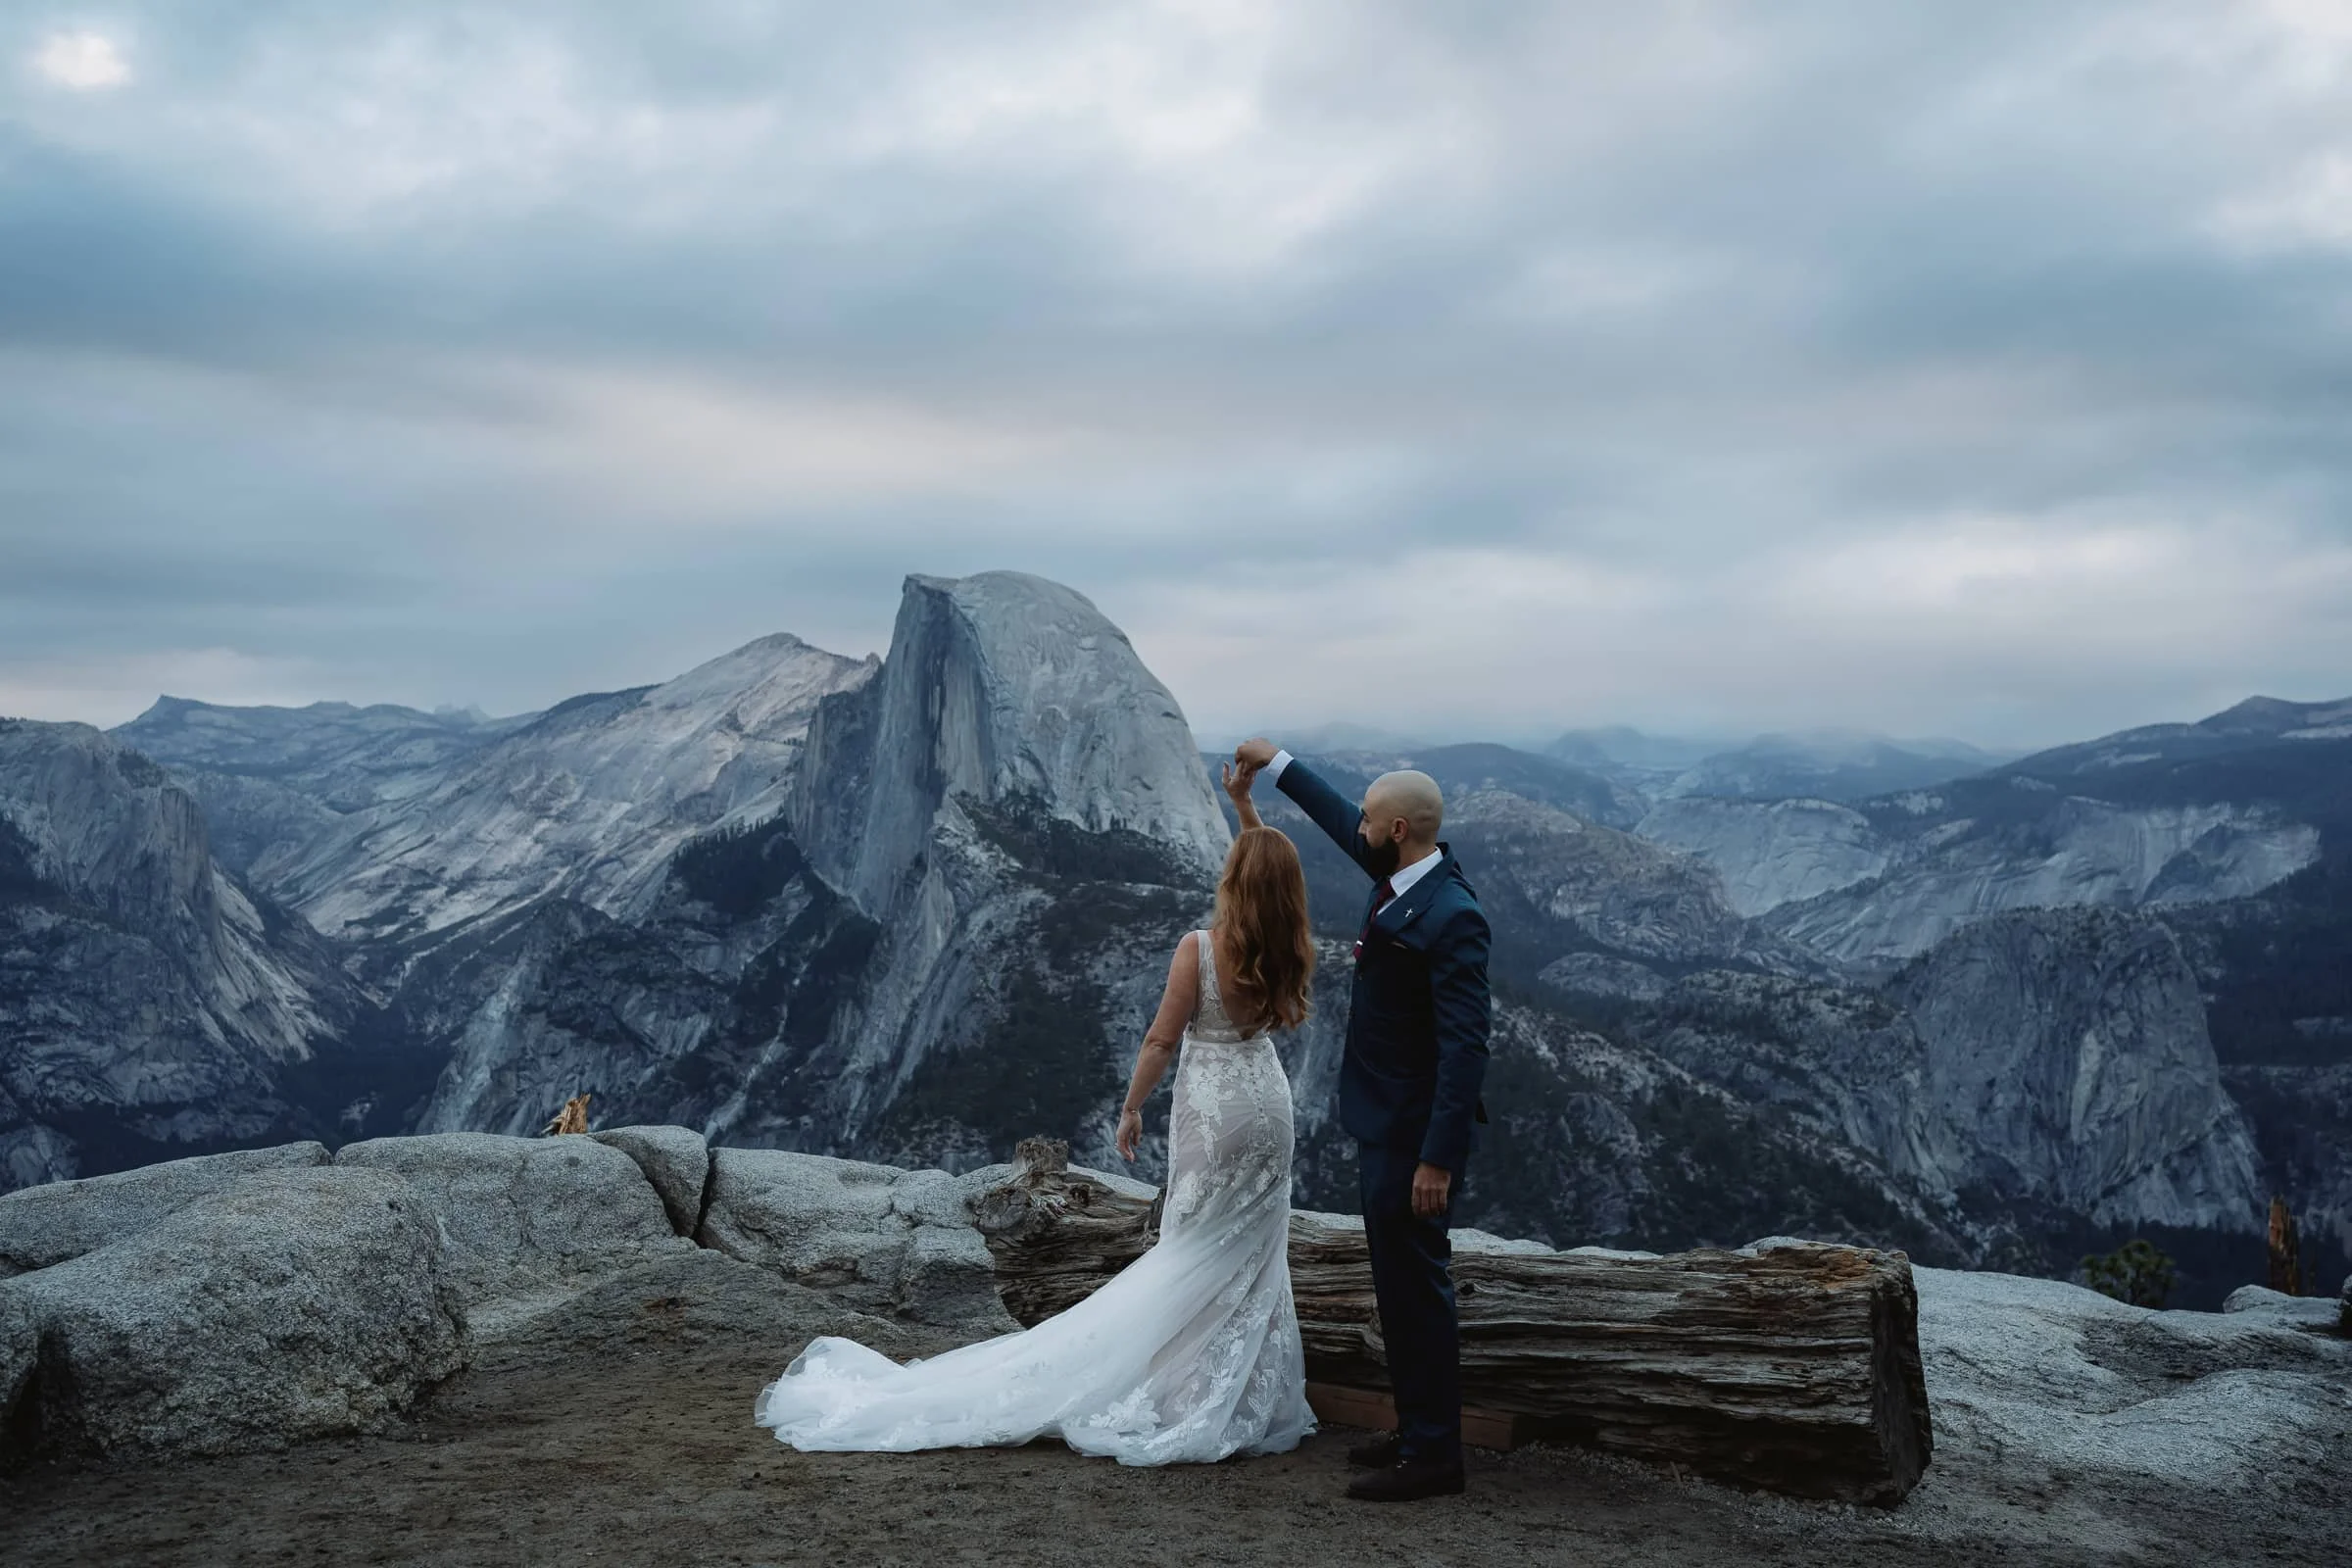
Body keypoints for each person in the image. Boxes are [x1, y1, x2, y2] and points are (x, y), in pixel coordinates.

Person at [753, 761, 1316, 1465]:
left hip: (1213, 1113)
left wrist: (1132, 1107)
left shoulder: (1201, 949)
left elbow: (1159, 1041)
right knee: (1251, 1252)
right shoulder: (1286, 945)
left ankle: (1180, 1393)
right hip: (1267, 1110)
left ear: (1233, 881)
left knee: (1189, 1250)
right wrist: (1245, 809)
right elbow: (1269, 874)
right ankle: (1240, 1393)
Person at [1229, 738, 1492, 1502]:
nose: (1360, 829)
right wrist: (1278, 763)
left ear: (1398, 831)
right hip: (1384, 1124)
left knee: (1417, 1292)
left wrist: (1438, 1157)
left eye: (1371, 821)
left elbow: (1466, 1048)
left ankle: (1435, 1456)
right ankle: (1415, 1431)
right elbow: (1341, 817)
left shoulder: (1452, 915)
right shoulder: (1408, 876)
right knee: (1397, 1288)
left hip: (1413, 1139)